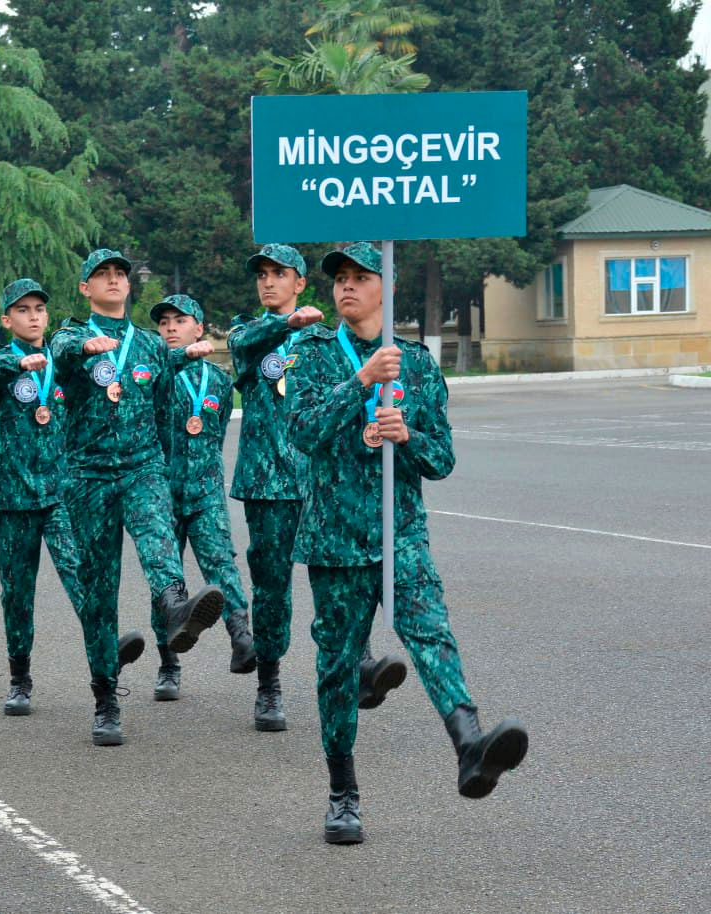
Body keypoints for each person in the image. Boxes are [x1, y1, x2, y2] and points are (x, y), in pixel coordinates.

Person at [287, 242, 528, 845]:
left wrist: (409, 434)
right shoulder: (312, 353)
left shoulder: (417, 362)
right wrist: (361, 382)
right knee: (339, 668)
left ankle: (470, 744)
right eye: (339, 278)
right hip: (336, 540)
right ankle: (343, 794)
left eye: (359, 277)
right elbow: (304, 433)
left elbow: (442, 458)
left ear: (384, 287)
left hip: (401, 533)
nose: (346, 287)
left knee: (431, 633)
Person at [48, 249, 225, 746]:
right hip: (88, 475)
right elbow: (61, 352)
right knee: (99, 590)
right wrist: (85, 351)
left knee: (158, 535)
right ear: (85, 288)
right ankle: (105, 698)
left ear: (129, 286)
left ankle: (175, 605)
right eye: (101, 275)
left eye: (119, 274)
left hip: (143, 466)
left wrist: (185, 358)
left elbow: (168, 406)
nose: (112, 280)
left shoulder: (149, 346)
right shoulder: (71, 334)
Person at [229, 244, 407, 733]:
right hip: (269, 482)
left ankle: (362, 664)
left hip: (323, 481)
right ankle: (269, 685)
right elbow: (245, 343)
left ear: (300, 282)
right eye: (262, 275)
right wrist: (287, 324)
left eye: (279, 274)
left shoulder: (330, 343)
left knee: (349, 579)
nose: (268, 282)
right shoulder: (251, 336)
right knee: (271, 590)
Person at [0, 278, 145, 720]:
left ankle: (107, 661)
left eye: (39, 309)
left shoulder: (65, 358)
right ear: (7, 319)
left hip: (62, 494)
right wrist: (19, 366)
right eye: (23, 310)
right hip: (14, 496)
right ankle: (20, 678)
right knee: (17, 593)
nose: (33, 316)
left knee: (84, 579)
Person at [150, 294, 252, 701]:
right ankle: (168, 664)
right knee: (166, 580)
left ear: (200, 328)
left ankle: (242, 638)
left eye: (180, 320)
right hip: (162, 491)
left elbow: (214, 433)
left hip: (206, 490)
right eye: (163, 322)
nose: (171, 327)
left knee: (221, 566)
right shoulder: (156, 375)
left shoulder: (219, 381)